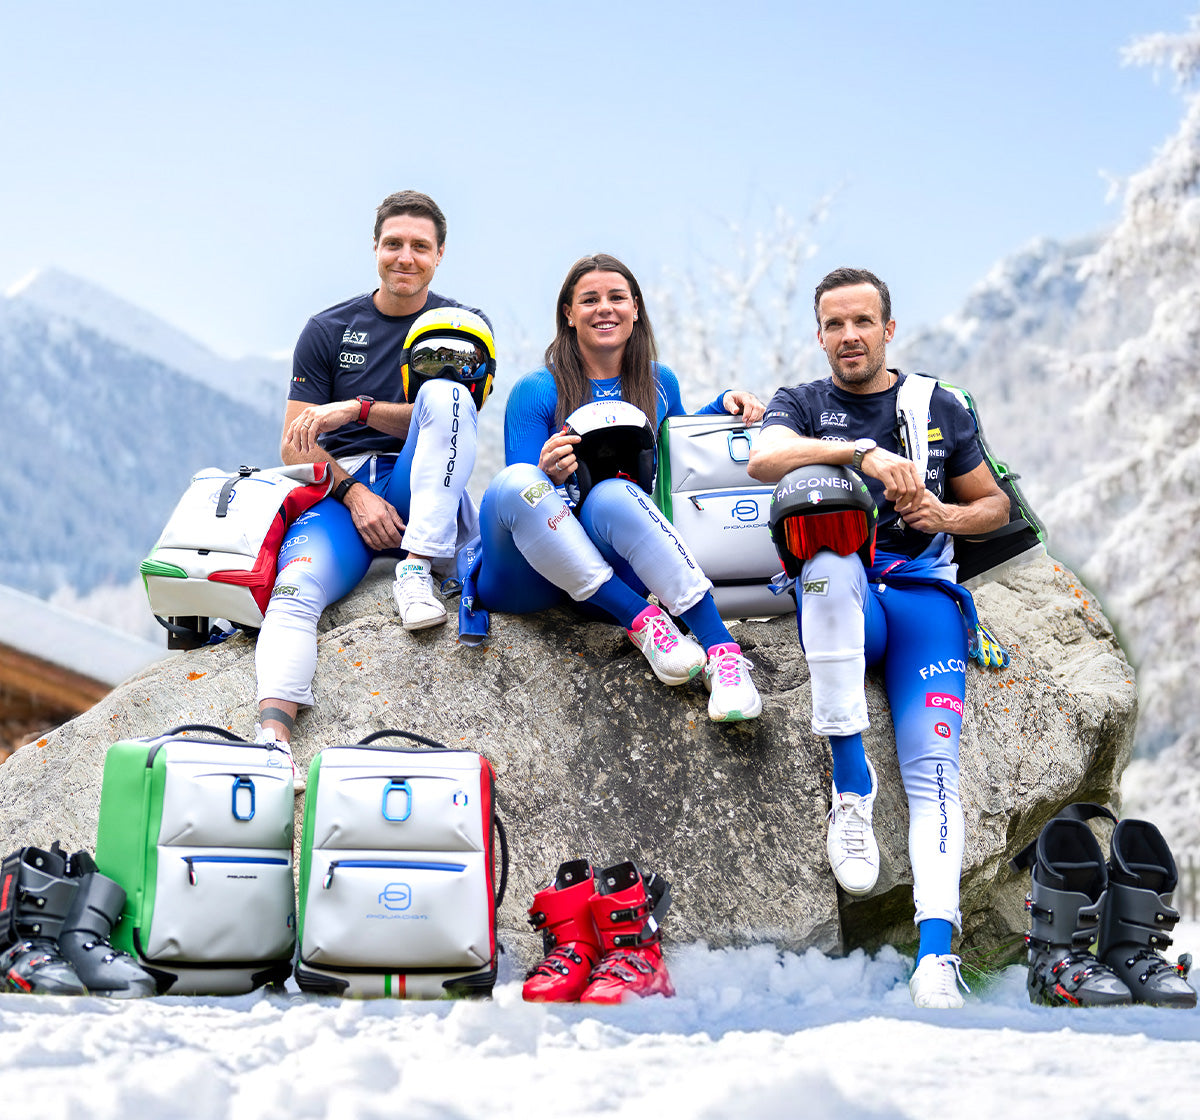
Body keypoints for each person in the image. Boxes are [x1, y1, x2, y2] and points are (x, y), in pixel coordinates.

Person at [747, 267, 1010, 1008]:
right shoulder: (803, 402)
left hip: (925, 599)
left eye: (863, 321)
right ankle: (852, 789)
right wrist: (859, 454)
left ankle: (937, 954)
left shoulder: (936, 404)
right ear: (820, 334)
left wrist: (944, 516)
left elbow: (992, 506)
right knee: (828, 559)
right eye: (835, 324)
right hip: (849, 595)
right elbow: (763, 459)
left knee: (935, 770)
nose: (849, 336)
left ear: (888, 329)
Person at [470, 253, 764, 722]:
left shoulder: (659, 382)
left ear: (636, 309)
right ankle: (643, 621)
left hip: (611, 575)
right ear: (569, 314)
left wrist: (723, 406)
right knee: (516, 482)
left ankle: (722, 655)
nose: (604, 308)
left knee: (614, 492)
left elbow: (676, 453)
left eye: (616, 297)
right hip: (531, 579)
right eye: (589, 299)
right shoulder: (537, 389)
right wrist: (547, 473)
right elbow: (517, 501)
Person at [253, 190, 490, 745]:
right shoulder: (328, 329)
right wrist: (355, 496)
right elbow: (294, 445)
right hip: (343, 490)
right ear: (375, 247)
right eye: (393, 244)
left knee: (447, 396)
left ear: (440, 254)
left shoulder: (463, 325)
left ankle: (415, 569)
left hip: (422, 479)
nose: (405, 257)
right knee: (293, 590)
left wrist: (358, 409)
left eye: (420, 246)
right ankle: (273, 741)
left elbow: (455, 419)